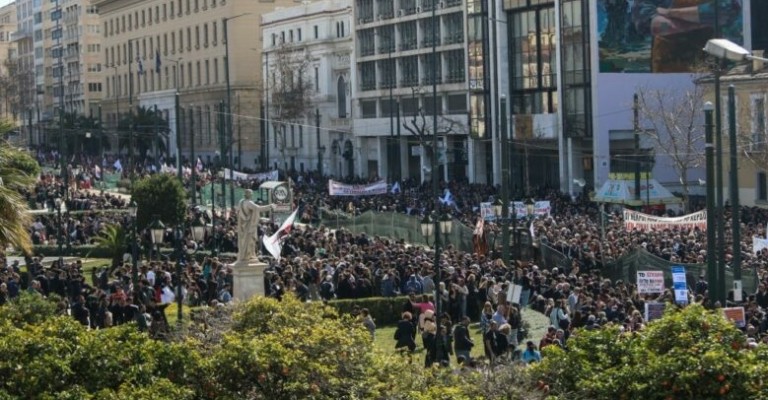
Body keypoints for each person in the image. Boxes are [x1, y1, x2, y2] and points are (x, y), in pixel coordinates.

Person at [236, 189, 274, 262]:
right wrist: (270, 206)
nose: (252, 195)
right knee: (250, 241)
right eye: (251, 194)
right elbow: (259, 208)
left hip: (243, 226)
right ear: (247, 194)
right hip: (249, 226)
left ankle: (247, 255)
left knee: (244, 242)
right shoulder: (248, 203)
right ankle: (248, 255)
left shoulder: (241, 202)